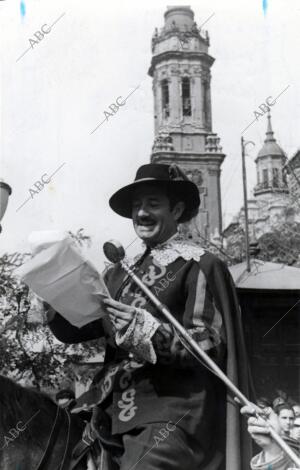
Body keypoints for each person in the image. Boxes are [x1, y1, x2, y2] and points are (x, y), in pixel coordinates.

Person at [45, 163, 250, 470]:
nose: (141, 213)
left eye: (153, 204)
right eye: (137, 206)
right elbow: (79, 327)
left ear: (177, 210)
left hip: (170, 412)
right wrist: (52, 289)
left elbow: (209, 343)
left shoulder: (200, 264)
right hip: (107, 405)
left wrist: (148, 332)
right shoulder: (117, 274)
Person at [241, 404, 300, 470]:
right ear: (277, 418)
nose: (288, 422)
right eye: (284, 418)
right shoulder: (271, 441)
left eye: (291, 418)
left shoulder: (296, 444)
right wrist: (271, 448)